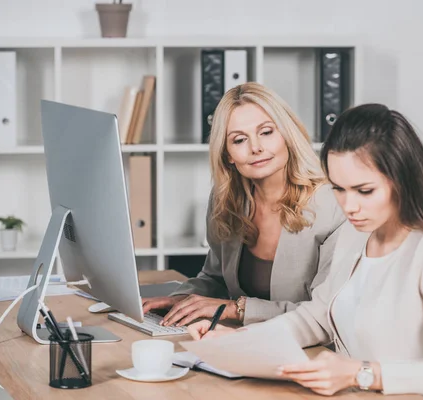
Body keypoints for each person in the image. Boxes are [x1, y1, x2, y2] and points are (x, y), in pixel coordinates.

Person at [189, 104, 423, 399]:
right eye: (339, 189)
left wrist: (361, 374)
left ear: (402, 181)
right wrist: (238, 342)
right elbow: (316, 318)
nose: (349, 207)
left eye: (364, 191)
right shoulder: (356, 236)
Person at [142, 82, 345, 327]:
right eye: (239, 140)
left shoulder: (334, 206)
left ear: (286, 135)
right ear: (227, 154)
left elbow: (324, 313)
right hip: (242, 342)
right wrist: (182, 299)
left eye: (267, 132)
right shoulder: (225, 200)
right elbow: (215, 277)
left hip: (308, 351)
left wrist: (236, 309)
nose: (256, 147)